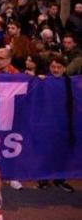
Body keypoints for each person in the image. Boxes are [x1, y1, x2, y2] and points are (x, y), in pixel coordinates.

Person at [36, 54, 76, 193]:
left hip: (65, 123)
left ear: (65, 68)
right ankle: (44, 178)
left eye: (59, 67)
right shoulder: (43, 80)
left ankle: (60, 179)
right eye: (53, 67)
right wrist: (38, 80)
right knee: (46, 151)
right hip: (46, 123)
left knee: (63, 152)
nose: (56, 70)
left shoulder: (72, 83)